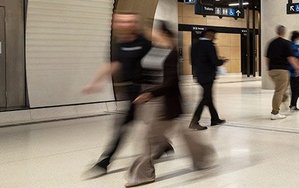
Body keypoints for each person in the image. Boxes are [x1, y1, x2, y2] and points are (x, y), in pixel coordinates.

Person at [125, 22, 215, 187]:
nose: (152, 36)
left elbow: (171, 81)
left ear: (164, 34)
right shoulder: (155, 51)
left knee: (147, 138)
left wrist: (150, 93)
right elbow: (145, 74)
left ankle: (143, 175)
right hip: (151, 103)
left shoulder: (172, 53)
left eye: (155, 33)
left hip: (164, 103)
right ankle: (203, 155)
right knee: (182, 133)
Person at [83, 12, 153, 177]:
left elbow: (157, 65)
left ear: (135, 24)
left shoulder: (145, 42)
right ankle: (164, 146)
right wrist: (95, 81)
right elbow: (114, 64)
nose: (124, 24)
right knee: (128, 125)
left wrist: (151, 90)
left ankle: (105, 161)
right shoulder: (119, 43)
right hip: (131, 91)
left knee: (129, 126)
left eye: (128, 21)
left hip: (146, 90)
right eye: (120, 21)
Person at [189, 30, 226, 129]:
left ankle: (215, 119)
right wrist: (222, 61)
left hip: (199, 75)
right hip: (208, 75)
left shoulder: (194, 44)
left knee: (208, 97)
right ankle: (194, 121)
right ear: (208, 34)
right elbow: (215, 61)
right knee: (205, 98)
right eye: (214, 35)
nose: (215, 38)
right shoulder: (209, 45)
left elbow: (191, 61)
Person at [265, 25, 299, 119]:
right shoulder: (286, 43)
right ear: (284, 32)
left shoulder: (271, 43)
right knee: (279, 91)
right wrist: (298, 68)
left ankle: (284, 99)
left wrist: (269, 69)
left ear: (277, 32)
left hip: (272, 70)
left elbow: (267, 58)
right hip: (282, 70)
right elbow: (290, 58)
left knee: (281, 89)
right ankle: (275, 113)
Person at [288, 30, 299, 112]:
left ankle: (293, 104)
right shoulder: (293, 47)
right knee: (296, 89)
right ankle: (293, 105)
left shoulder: (294, 46)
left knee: (294, 89)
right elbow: (294, 59)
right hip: (295, 71)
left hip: (294, 70)